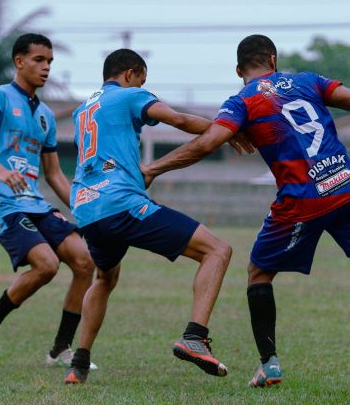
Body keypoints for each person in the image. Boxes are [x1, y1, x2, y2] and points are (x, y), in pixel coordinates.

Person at [141, 35, 350, 388]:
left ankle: (270, 366)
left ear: (239, 70)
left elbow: (208, 143)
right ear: (273, 59)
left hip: (302, 199)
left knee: (258, 272)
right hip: (346, 185)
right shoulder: (307, 81)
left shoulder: (242, 101)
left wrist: (153, 169)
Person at [62, 49, 251, 384]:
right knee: (217, 250)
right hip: (121, 203)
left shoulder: (83, 109)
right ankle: (195, 336)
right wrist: (224, 130)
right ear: (132, 73)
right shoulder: (130, 95)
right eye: (143, 79)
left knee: (105, 279)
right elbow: (176, 119)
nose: (143, 85)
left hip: (87, 209)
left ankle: (78, 364)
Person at [0, 33, 96, 368]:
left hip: (35, 204)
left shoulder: (46, 117)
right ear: (19, 61)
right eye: (39, 60)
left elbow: (53, 173)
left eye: (50, 62)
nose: (46, 68)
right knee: (47, 265)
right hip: (4, 205)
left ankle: (61, 349)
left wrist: (83, 211)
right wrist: (0, 170)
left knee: (84, 261)